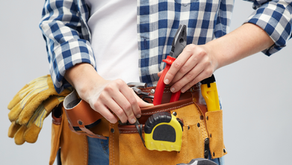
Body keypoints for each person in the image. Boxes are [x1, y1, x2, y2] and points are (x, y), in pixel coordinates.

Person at [39, 0, 291, 164]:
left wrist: (215, 53)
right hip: (92, 132)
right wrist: (88, 82)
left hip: (184, 137)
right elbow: (60, 18)